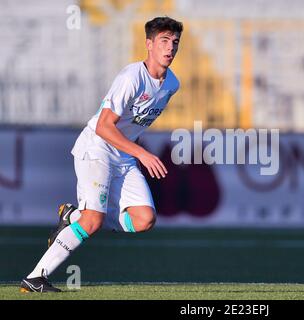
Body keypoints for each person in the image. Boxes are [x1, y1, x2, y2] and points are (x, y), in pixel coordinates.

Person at [20, 16, 183, 292]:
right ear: (149, 44)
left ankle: (73, 217)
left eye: (175, 42)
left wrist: (132, 152)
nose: (170, 48)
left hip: (122, 155)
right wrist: (142, 154)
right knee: (93, 221)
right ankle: (36, 277)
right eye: (164, 41)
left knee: (145, 219)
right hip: (96, 148)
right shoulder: (131, 78)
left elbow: (134, 123)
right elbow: (104, 126)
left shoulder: (171, 84)